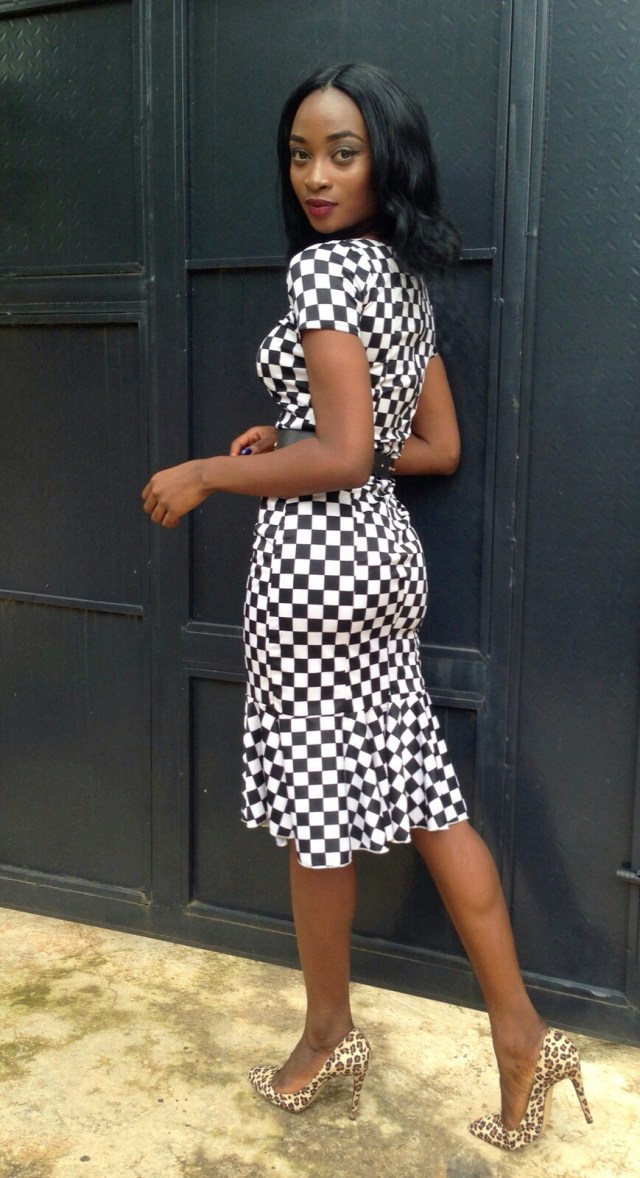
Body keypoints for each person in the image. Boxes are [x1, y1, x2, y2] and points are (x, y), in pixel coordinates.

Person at [142, 63, 592, 1150]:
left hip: (316, 565)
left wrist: (209, 470)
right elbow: (428, 446)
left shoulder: (327, 270)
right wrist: (292, 436)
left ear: (386, 159)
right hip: (384, 559)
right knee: (425, 792)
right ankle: (522, 1033)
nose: (316, 175)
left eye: (342, 153)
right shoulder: (401, 280)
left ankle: (329, 1033)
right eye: (300, 154)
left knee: (316, 813)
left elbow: (342, 456)